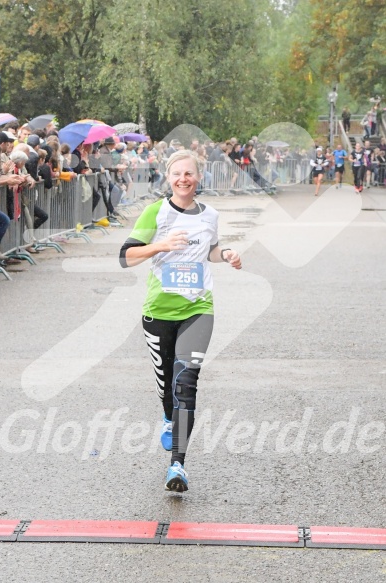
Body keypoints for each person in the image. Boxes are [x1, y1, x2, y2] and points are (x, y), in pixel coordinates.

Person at [119, 150, 241, 492]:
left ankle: (178, 465)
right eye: (177, 174)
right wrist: (160, 246)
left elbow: (211, 250)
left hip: (197, 310)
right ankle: (169, 418)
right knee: (166, 388)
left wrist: (226, 254)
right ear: (168, 178)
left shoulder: (210, 215)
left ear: (198, 177)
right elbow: (125, 256)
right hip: (158, 312)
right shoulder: (155, 212)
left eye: (189, 174)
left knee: (185, 383)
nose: (183, 179)